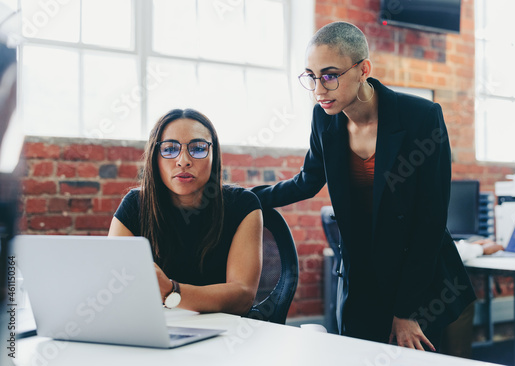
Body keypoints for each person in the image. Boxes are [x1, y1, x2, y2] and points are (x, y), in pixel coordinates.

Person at [250, 22, 475, 351]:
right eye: (310, 77)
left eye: (329, 75)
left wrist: (407, 311)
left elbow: (430, 222)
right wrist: (242, 198)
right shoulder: (324, 119)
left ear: (363, 69)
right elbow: (307, 181)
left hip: (419, 280)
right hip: (363, 278)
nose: (318, 90)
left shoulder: (421, 117)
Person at [108, 109, 263, 316]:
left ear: (214, 155)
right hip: (152, 328)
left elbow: (242, 297)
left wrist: (171, 291)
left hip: (224, 333)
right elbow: (113, 286)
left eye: (198, 148)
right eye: (170, 149)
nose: (183, 161)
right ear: (155, 157)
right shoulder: (135, 205)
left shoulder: (242, 205)